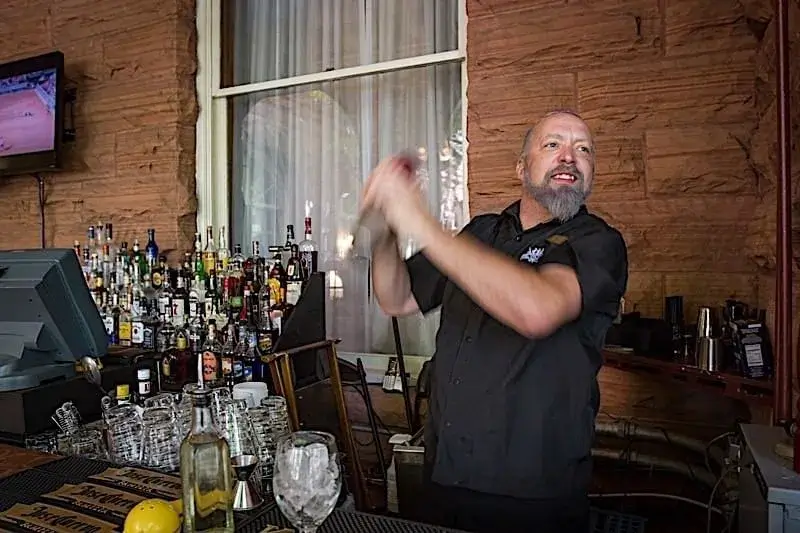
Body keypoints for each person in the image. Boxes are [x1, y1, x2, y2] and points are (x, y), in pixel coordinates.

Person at [361, 110, 629, 533]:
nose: (569, 157)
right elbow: (397, 297)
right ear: (521, 167)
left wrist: (421, 223)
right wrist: (386, 230)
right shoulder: (481, 234)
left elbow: (537, 310)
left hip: (531, 497)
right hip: (444, 474)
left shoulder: (597, 242)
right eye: (553, 145)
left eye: (584, 150)